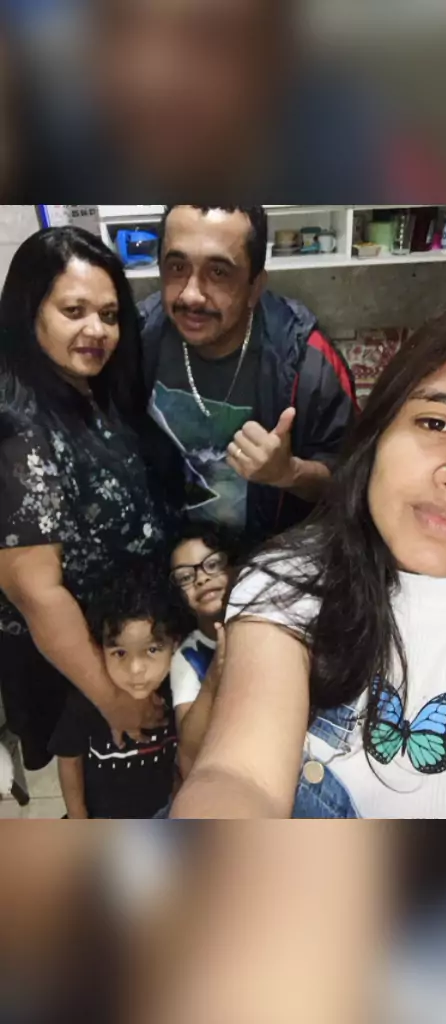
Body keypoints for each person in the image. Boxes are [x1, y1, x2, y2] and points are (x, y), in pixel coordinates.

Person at [171, 306, 446, 820]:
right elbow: (240, 774)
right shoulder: (292, 583)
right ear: (377, 434)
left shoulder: (302, 355)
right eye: (436, 423)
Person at [0, 226, 183, 771]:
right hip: (79, 670)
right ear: (30, 312)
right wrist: (111, 698)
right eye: (73, 311)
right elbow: (36, 593)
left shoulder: (90, 391)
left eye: (108, 315)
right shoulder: (20, 427)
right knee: (102, 794)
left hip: (124, 646)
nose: (96, 330)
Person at [141, 204, 356, 544]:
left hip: (268, 557)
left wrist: (289, 473)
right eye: (177, 267)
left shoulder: (309, 363)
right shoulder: (137, 338)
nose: (191, 295)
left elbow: (353, 484)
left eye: (219, 272)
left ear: (255, 286)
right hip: (169, 552)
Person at [49, 565, 186, 819]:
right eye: (120, 653)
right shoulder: (85, 700)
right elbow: (69, 759)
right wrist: (77, 815)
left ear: (174, 644)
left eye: (152, 650)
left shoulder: (179, 690)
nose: (135, 670)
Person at [170, 525, 237, 778]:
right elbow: (189, 749)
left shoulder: (266, 623)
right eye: (185, 577)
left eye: (213, 564)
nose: (201, 579)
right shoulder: (188, 656)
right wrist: (212, 678)